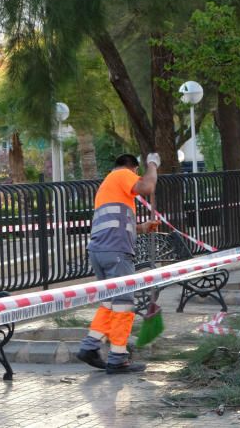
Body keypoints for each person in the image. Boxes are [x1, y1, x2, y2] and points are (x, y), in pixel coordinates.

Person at [76, 153, 160, 373]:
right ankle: (118, 357)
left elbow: (116, 221)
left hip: (99, 251)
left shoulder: (107, 185)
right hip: (116, 253)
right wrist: (152, 164)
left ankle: (90, 346)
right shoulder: (123, 173)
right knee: (123, 303)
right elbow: (147, 187)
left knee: (109, 303)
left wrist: (142, 227)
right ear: (132, 168)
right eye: (137, 173)